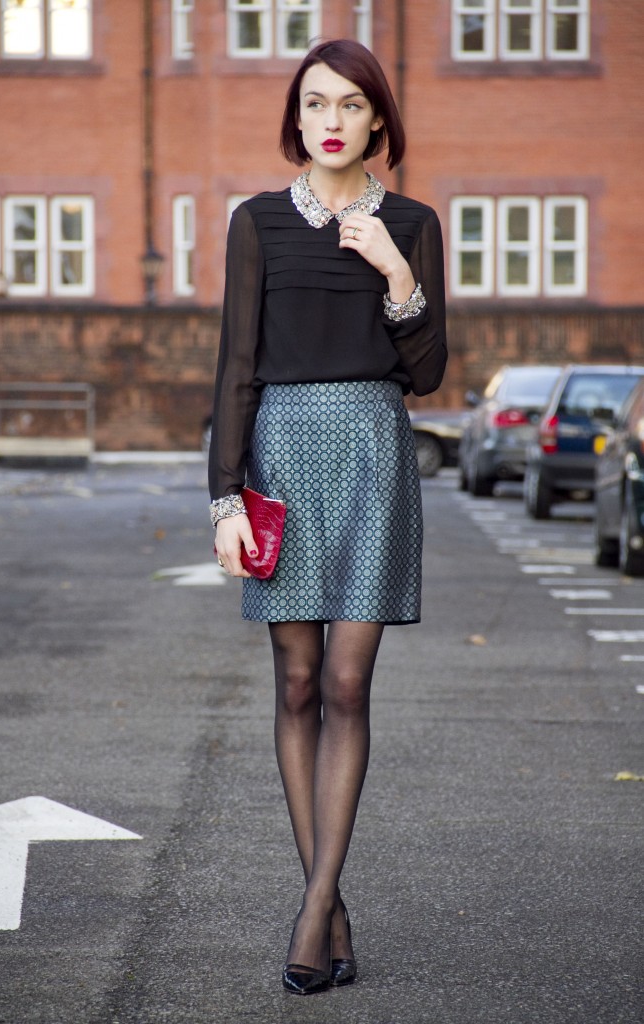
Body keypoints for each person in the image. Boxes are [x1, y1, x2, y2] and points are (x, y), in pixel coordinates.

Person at [208, 38, 447, 996]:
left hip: (373, 456)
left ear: (377, 118)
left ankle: (313, 911)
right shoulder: (257, 223)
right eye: (316, 104)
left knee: (348, 684)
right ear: (297, 118)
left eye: (351, 104)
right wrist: (225, 498)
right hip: (282, 455)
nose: (333, 120)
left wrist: (395, 272)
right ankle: (331, 907)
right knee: (298, 682)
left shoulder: (414, 223)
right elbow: (235, 367)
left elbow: (427, 374)